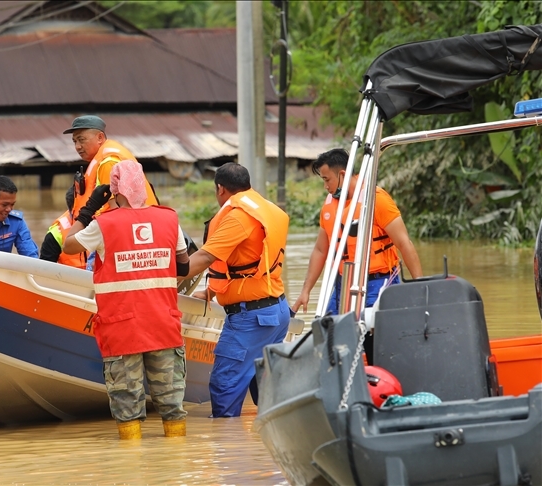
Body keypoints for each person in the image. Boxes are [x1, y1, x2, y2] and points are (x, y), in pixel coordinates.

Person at [62, 160, 190, 440]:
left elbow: (68, 245)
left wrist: (87, 210)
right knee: (172, 406)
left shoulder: (103, 224)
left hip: (122, 330)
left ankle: (131, 470)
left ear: (115, 190)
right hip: (163, 325)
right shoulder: (170, 219)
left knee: (126, 407)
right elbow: (183, 267)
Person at [290, 148, 423, 361]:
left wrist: (419, 287)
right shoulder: (331, 204)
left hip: (377, 283)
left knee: (376, 343)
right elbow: (320, 250)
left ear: (342, 174)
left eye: (327, 180)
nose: (325, 186)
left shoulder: (376, 200)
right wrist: (305, 290)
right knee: (329, 338)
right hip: (342, 284)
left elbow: (404, 243)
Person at [183, 163, 291, 417]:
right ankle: (262, 452)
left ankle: (228, 450)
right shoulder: (267, 209)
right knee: (266, 397)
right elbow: (246, 262)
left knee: (225, 387)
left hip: (250, 320)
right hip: (276, 311)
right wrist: (211, 291)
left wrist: (159, 274)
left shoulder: (237, 217)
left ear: (220, 188)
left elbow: (204, 259)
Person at [64, 115, 159, 218]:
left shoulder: (108, 163)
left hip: (138, 225)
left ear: (100, 137)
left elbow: (115, 212)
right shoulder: (104, 158)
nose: (77, 146)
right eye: (75, 141)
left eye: (81, 140)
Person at [39, 186, 88, 268]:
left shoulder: (104, 224)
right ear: (71, 210)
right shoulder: (56, 234)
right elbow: (44, 272)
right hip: (69, 279)